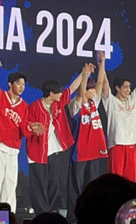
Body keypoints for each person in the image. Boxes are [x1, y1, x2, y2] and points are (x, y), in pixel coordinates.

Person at [0, 69, 44, 212]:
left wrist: (32, 128)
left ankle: (8, 216)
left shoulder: (23, 106)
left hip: (13, 149)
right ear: (10, 84)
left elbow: (24, 129)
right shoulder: (0, 95)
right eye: (18, 83)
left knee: (10, 183)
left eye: (23, 84)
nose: (22, 87)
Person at [26, 68, 86, 215]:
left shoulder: (57, 104)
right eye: (58, 92)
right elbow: (26, 125)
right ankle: (41, 213)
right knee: (39, 184)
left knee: (54, 182)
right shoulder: (34, 107)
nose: (61, 94)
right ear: (51, 94)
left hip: (53, 149)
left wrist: (84, 73)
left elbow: (71, 88)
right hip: (37, 151)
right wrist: (32, 128)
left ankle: (50, 211)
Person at [66, 58, 108, 224]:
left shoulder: (94, 103)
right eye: (91, 91)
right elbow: (81, 93)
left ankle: (90, 214)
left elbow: (99, 82)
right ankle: (73, 217)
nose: (93, 92)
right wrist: (84, 76)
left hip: (94, 152)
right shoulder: (75, 105)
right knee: (76, 186)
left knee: (92, 186)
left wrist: (101, 63)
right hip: (80, 152)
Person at [101, 58, 136, 181]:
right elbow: (104, 84)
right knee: (116, 178)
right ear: (117, 88)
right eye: (125, 87)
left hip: (131, 143)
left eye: (129, 87)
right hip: (117, 144)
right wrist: (102, 63)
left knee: (130, 179)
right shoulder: (110, 101)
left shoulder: (132, 99)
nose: (128, 90)